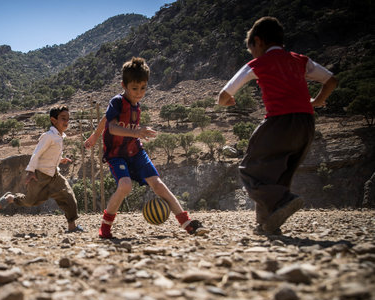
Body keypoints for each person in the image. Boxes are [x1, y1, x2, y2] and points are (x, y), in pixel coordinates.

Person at [218, 16, 338, 235]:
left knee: (249, 170)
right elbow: (331, 80)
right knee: (280, 175)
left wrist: (228, 101)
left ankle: (284, 201)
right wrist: (319, 101)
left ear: (258, 41)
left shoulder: (257, 63)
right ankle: (266, 224)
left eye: (251, 48)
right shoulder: (300, 60)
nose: (252, 53)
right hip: (306, 124)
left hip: (279, 122)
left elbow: (223, 96)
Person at [85, 57, 207, 239]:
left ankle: (187, 223)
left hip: (136, 151)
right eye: (135, 88)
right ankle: (106, 227)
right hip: (117, 154)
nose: (139, 92)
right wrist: (99, 135)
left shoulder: (136, 104)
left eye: (143, 88)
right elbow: (111, 126)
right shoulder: (117, 101)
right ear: (123, 85)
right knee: (125, 186)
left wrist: (98, 134)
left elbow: (106, 117)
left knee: (158, 184)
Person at [0, 105, 84, 233]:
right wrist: (31, 171)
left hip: (55, 175)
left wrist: (60, 160)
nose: (66, 121)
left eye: (68, 119)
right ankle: (11, 198)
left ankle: (72, 226)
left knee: (69, 197)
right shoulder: (48, 136)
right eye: (63, 118)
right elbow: (37, 154)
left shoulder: (59, 136)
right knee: (31, 201)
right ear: (53, 120)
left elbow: (49, 156)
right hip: (40, 176)